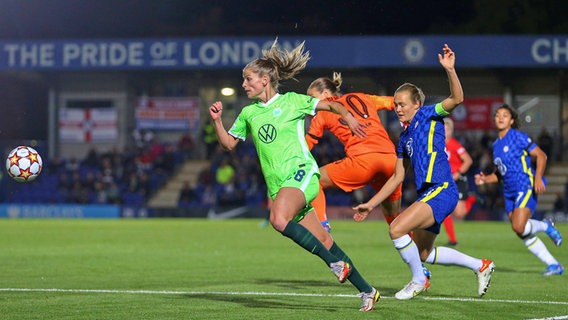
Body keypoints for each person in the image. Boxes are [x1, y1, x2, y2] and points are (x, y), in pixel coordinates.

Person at [208, 39, 379, 311]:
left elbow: (331, 105)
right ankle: (368, 290)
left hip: (302, 174)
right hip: (280, 186)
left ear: (265, 80)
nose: (244, 84)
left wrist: (348, 116)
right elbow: (228, 144)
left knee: (277, 218)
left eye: (248, 79)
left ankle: (336, 265)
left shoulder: (292, 102)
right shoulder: (248, 113)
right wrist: (217, 121)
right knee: (324, 240)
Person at [353, 44, 495, 300]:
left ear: (416, 104)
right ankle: (480, 266)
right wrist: (371, 204)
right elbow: (396, 177)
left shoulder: (430, 114)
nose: (397, 108)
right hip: (430, 192)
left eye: (402, 104)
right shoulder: (403, 138)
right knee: (423, 254)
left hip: (441, 188)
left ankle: (419, 279)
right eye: (395, 104)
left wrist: (450, 70)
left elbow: (457, 99)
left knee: (396, 229)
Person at [305, 72, 402, 233]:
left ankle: (322, 226)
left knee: (313, 179)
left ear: (326, 94)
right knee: (395, 221)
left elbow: (308, 143)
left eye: (313, 98)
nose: (311, 104)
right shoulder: (362, 97)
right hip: (391, 161)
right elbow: (395, 102)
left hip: (363, 162)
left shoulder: (323, 111)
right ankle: (418, 251)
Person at [474, 104, 564, 276]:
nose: (500, 118)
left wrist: (537, 177)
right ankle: (554, 265)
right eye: (498, 115)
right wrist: (485, 178)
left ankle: (546, 226)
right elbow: (500, 175)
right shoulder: (496, 145)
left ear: (512, 120)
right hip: (508, 191)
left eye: (505, 115)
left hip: (524, 184)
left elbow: (541, 155)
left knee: (518, 226)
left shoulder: (517, 137)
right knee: (521, 231)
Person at [442, 117, 475, 246]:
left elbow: (468, 160)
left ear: (451, 131)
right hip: (445, 181)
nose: (445, 131)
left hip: (458, 180)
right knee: (444, 210)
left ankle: (472, 198)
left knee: (460, 214)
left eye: (447, 129)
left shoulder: (455, 144)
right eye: (442, 129)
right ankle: (453, 240)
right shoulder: (436, 144)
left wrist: (458, 173)